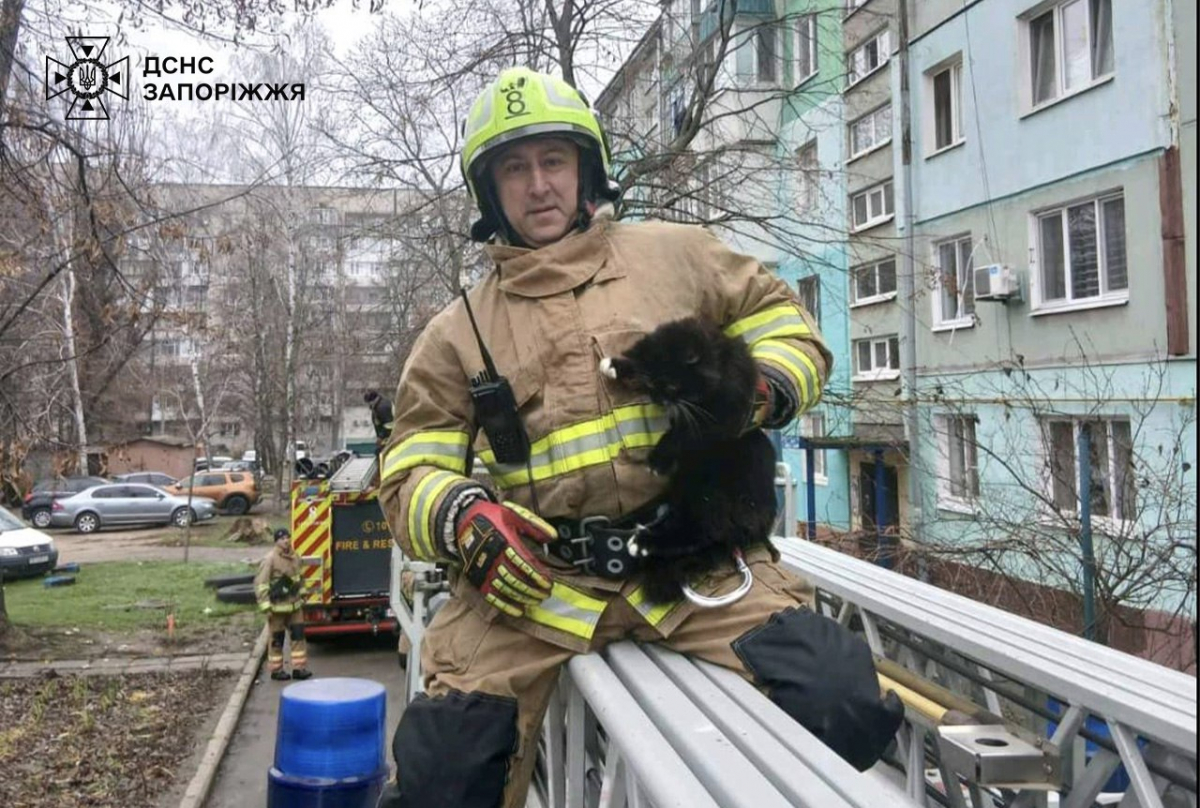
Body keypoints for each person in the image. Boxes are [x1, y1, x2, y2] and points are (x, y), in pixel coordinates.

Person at [376, 66, 902, 807]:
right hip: (532, 596)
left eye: (554, 161)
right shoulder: (456, 334)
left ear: (585, 169)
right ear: (489, 193)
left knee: (839, 700)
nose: (539, 186)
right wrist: (465, 518)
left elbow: (789, 328)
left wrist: (760, 389)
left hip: (695, 576)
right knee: (443, 779)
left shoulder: (679, 256)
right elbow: (408, 471)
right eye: (515, 169)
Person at [254, 528, 312, 681]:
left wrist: (303, 593)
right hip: (277, 608)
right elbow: (261, 584)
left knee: (298, 637)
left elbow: (300, 577)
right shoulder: (270, 559)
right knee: (277, 640)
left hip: (295, 607)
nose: (286, 540)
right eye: (282, 538)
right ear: (276, 541)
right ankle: (276, 670)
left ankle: (299, 669)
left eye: (287, 537)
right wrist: (266, 607)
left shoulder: (295, 557)